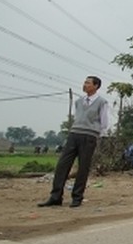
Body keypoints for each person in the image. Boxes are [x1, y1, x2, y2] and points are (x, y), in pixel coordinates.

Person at [39, 76, 109, 208]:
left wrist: (98, 136)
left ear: (96, 86)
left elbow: (104, 122)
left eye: (88, 83)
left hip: (89, 136)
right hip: (74, 134)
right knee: (62, 165)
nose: (85, 85)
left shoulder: (102, 102)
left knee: (83, 168)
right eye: (84, 82)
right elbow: (78, 117)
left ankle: (77, 197)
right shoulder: (79, 102)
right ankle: (55, 196)